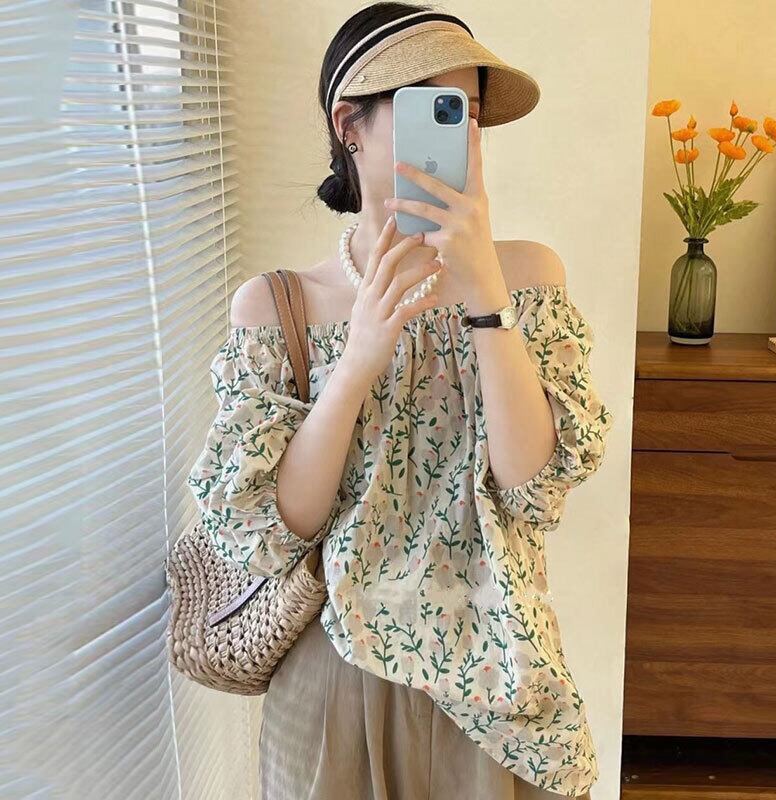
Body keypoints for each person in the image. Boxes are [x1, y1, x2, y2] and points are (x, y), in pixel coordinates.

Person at [186, 3, 614, 798]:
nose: (459, 133)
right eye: (432, 108)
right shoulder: (279, 306)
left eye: (468, 112)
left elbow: (533, 486)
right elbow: (280, 526)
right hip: (335, 672)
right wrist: (357, 361)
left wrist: (485, 295)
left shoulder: (528, 277)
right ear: (349, 124)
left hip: (500, 677)